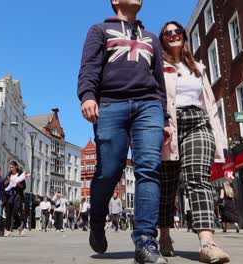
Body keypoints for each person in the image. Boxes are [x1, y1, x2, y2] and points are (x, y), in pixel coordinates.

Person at [77, 1, 170, 262]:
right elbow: (89, 67)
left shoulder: (151, 38)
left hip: (148, 105)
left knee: (148, 168)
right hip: (110, 104)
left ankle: (145, 242)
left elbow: (160, 82)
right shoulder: (99, 30)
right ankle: (96, 219)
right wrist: (87, 96)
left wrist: (164, 117)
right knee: (109, 170)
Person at [157, 21, 230, 263]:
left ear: (184, 37)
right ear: (163, 39)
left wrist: (219, 136)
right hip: (168, 126)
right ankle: (165, 235)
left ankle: (207, 242)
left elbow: (209, 104)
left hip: (198, 123)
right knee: (166, 188)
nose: (173, 35)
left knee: (198, 178)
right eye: (167, 33)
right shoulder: (157, 66)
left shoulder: (198, 67)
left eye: (177, 31)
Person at [3, 161, 27, 236]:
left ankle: (20, 227)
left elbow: (23, 187)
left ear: (16, 167)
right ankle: (7, 230)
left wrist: (17, 182)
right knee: (8, 213)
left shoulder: (20, 175)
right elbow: (4, 185)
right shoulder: (8, 174)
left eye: (12, 167)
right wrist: (7, 182)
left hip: (17, 196)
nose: (11, 168)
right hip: (9, 195)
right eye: (10, 167)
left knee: (15, 212)